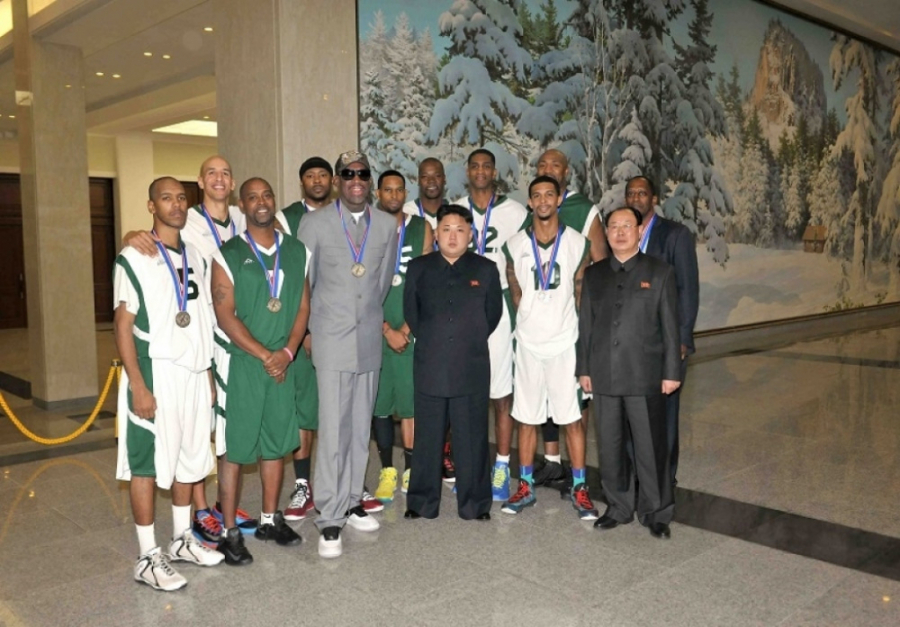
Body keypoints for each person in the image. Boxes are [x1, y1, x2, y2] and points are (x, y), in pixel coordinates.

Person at [122, 156, 258, 544]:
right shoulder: (168, 234)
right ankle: (184, 522)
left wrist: (209, 370)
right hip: (175, 354)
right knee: (166, 450)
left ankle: (207, 517)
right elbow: (123, 320)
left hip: (216, 349)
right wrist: (131, 234)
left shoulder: (238, 220)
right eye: (211, 173)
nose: (219, 179)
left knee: (207, 439)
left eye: (225, 173)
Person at [114, 177, 224, 591]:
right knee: (146, 463)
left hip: (193, 373)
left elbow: (201, 319)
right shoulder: (134, 255)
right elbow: (122, 325)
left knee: (189, 459)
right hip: (155, 372)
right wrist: (138, 385)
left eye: (181, 198)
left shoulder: (196, 254)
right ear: (151, 206)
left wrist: (207, 375)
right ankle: (147, 556)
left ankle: (181, 540)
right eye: (166, 198)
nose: (176, 205)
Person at [297, 150, 398, 559]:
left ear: (369, 181)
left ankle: (354, 498)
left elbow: (381, 283)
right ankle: (329, 515)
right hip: (332, 337)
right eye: (348, 174)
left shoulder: (387, 225)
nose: (356, 180)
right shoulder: (315, 223)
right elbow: (305, 283)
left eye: (362, 174)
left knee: (360, 427)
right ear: (338, 180)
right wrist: (309, 331)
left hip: (368, 338)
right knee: (334, 429)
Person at [211, 177, 311, 564]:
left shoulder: (297, 250)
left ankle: (270, 519)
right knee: (235, 449)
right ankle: (229, 532)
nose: (261, 202)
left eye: (267, 195)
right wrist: (265, 355)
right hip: (245, 364)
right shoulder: (228, 253)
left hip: (283, 362)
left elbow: (303, 307)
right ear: (242, 205)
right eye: (252, 197)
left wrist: (286, 352)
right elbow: (225, 314)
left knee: (277, 444)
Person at [576, 207, 681, 539]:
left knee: (650, 447)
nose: (620, 232)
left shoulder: (660, 272)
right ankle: (618, 506)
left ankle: (656, 511)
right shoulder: (594, 275)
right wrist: (584, 368)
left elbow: (671, 327)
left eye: (627, 226)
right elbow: (586, 325)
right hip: (604, 375)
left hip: (644, 375)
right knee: (610, 446)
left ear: (639, 231)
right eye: (613, 226)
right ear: (606, 233)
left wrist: (671, 372)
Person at [502, 176, 597, 520]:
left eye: (549, 195)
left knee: (572, 419)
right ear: (530, 202)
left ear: (558, 200)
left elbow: (581, 294)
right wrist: (530, 318)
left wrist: (584, 345)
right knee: (526, 418)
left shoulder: (577, 243)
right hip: (528, 344)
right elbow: (514, 290)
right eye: (536, 196)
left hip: (564, 343)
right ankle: (525, 486)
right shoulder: (515, 244)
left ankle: (580, 487)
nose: (543, 201)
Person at [403, 204, 502, 520]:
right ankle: (421, 503)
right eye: (446, 229)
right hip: (430, 364)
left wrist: (464, 339)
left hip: (470, 366)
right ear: (436, 234)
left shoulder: (486, 269)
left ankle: (475, 504)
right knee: (427, 438)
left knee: (472, 438)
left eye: (460, 230)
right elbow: (412, 313)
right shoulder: (418, 268)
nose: (453, 236)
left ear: (470, 235)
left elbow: (492, 314)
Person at [452, 148, 528, 501]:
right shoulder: (456, 209)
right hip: (462, 307)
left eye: (486, 166)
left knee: (501, 393)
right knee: (465, 393)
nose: (480, 171)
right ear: (467, 171)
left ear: (494, 172)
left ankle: (501, 465)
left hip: (498, 306)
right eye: (475, 166)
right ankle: (470, 466)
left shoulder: (516, 212)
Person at [530, 148, 609, 487]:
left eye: (555, 164)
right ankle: (551, 460)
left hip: (573, 319)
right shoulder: (534, 208)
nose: (548, 168)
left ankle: (579, 468)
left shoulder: (583, 209)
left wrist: (592, 312)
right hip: (540, 320)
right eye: (542, 164)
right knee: (546, 392)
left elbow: (600, 262)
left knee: (576, 393)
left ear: (566, 172)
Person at [625, 176, 699, 485]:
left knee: (665, 412)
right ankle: (635, 472)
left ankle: (665, 477)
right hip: (629, 344)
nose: (636, 198)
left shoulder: (675, 235)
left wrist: (681, 339)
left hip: (665, 342)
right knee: (631, 410)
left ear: (654, 198)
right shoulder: (621, 234)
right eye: (631, 193)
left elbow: (688, 290)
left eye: (642, 193)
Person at [274, 156, 332, 522]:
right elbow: (284, 275)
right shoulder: (286, 219)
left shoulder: (346, 214)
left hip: (339, 326)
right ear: (302, 182)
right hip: (304, 328)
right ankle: (302, 485)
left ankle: (344, 479)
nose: (317, 180)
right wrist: (305, 331)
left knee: (341, 406)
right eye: (310, 175)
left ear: (332, 181)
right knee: (304, 409)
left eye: (323, 175)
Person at [372, 170, 434, 502]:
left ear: (405, 193)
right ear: (378, 193)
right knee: (380, 405)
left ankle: (411, 469)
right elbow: (361, 286)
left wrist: (406, 329)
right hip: (376, 329)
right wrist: (385, 330)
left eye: (399, 190)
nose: (394, 195)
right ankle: (387, 470)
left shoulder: (422, 228)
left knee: (410, 405)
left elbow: (426, 283)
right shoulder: (367, 228)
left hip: (411, 330)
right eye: (388, 189)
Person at [402, 157, 447, 230]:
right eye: (425, 177)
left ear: (444, 179)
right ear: (418, 180)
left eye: (437, 176)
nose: (431, 180)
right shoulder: (406, 211)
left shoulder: (456, 211)